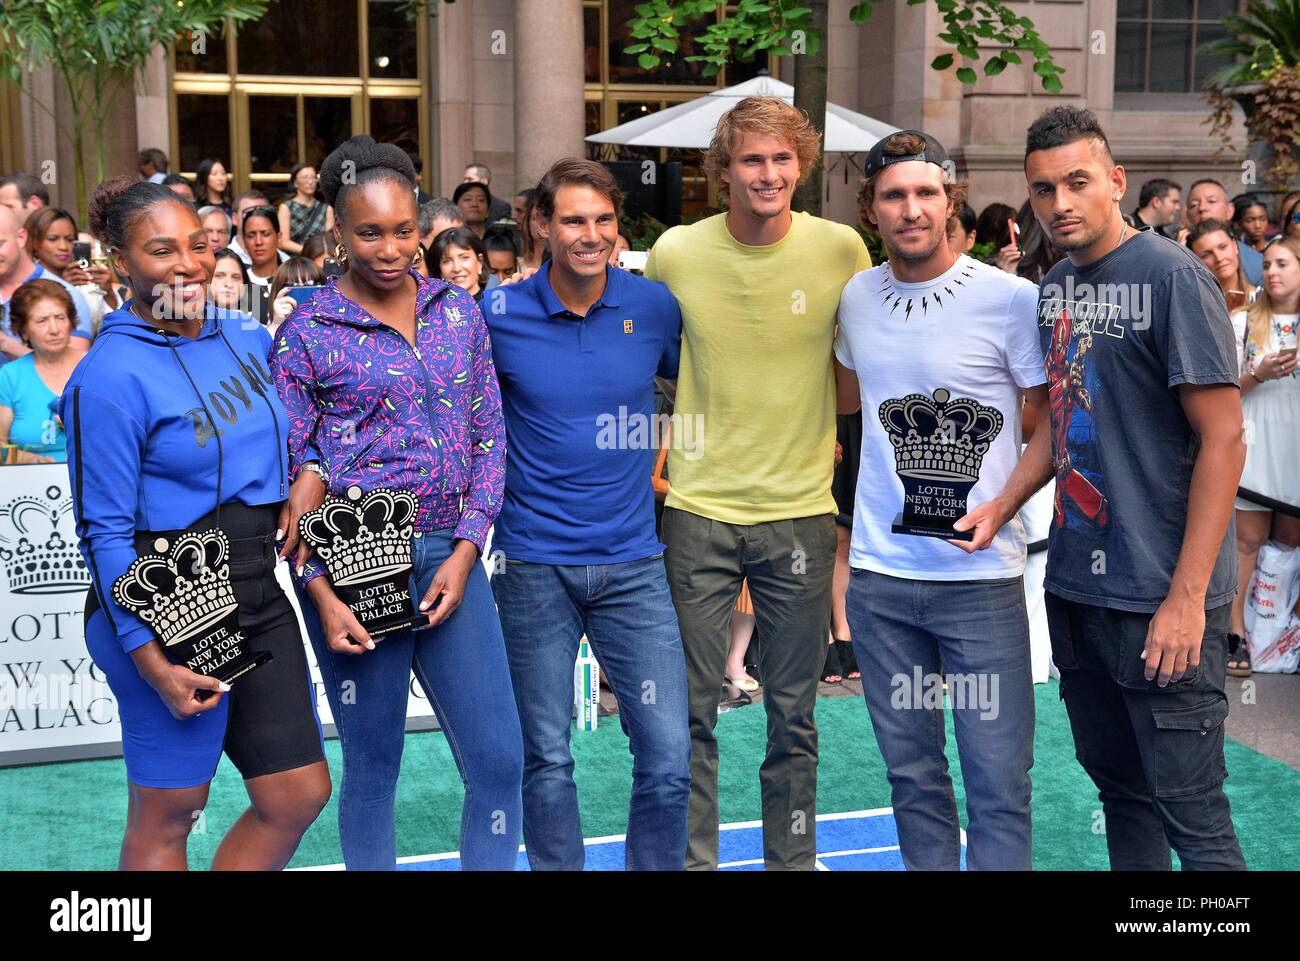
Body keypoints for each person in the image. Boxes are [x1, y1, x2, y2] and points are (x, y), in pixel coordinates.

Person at [62, 175, 330, 870]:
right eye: (160, 249)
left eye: (198, 244)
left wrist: (307, 472)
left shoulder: (243, 335)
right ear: (120, 263)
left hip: (255, 587)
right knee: (170, 815)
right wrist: (150, 661)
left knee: (298, 791)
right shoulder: (109, 375)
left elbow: (293, 431)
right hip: (163, 598)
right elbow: (103, 534)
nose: (187, 263)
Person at [270, 135, 523, 871]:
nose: (390, 248)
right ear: (338, 234)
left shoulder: (458, 312)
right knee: (375, 766)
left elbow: (489, 439)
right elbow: (289, 483)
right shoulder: (305, 331)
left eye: (404, 230)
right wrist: (321, 594)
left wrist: (469, 548)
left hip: (453, 554)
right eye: (370, 232)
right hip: (354, 563)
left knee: (500, 759)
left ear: (425, 227)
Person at [645, 95, 872, 871]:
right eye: (751, 158)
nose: (768, 173)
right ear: (724, 169)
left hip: (801, 514)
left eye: (781, 158)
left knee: (794, 717)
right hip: (698, 511)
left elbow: (854, 373)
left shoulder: (842, 249)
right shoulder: (676, 251)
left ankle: (792, 864)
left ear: (801, 165)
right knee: (688, 716)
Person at [1025, 106, 1247, 871]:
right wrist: (998, 503)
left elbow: (1225, 438)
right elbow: (1063, 417)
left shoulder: (1173, 275)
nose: (1060, 203)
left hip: (1162, 593)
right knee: (1122, 794)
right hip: (1079, 592)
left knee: (1194, 814)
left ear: (1116, 181)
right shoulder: (1054, 286)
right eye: (1044, 188)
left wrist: (1187, 599)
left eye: (1078, 182)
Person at [834, 130, 1050, 871]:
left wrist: (1002, 506)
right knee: (913, 778)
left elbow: (1052, 420)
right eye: (894, 194)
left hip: (980, 584)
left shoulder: (1011, 298)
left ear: (949, 201)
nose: (912, 208)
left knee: (997, 781)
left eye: (927, 192)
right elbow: (844, 402)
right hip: (882, 584)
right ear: (871, 208)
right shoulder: (856, 298)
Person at [485, 157, 690, 871]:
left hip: (635, 562)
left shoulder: (655, 307)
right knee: (544, 756)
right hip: (531, 564)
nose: (591, 233)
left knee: (668, 755)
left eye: (604, 219)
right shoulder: (499, 314)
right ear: (541, 223)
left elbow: (690, 385)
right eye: (573, 218)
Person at [1227, 236, 1300, 677]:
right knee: (1247, 543)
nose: (1272, 272)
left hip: (1295, 447)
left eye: (1283, 264)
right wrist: (1258, 372)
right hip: (1255, 440)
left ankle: (1279, 630)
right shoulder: (1243, 320)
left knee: (1290, 543)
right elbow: (1223, 390)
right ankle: (1235, 633)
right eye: (1267, 265)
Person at [0, 206, 94, 366]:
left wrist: (5, 343)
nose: (63, 246)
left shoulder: (67, 295)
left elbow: (73, 369)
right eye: (53, 238)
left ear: (21, 237)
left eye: (0, 243)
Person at [0, 279, 79, 463]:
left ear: (71, 322)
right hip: (29, 486)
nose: (54, 329)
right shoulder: (10, 376)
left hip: (93, 481)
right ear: (24, 330)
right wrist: (23, 458)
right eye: (42, 321)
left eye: (60, 317)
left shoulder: (95, 366)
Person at [1187, 179, 1262, 286]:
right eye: (1194, 205)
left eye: (1211, 201)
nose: (1202, 208)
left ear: (1229, 210)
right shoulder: (1174, 260)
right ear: (1187, 214)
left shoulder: (1258, 265)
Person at [1188, 219, 1256, 313]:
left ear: (1235, 246)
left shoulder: (1261, 298)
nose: (1219, 258)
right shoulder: (1194, 310)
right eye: (1207, 254)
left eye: (1223, 247)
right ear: (1195, 261)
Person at [239, 205, 282, 324]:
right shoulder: (237, 279)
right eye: (251, 235)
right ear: (243, 240)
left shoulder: (294, 276)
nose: (258, 242)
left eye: (265, 234)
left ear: (279, 237)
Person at [277, 164, 332, 255]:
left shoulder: (326, 208)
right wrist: (308, 252)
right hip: (294, 262)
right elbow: (283, 242)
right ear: (295, 182)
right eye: (304, 178)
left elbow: (327, 241)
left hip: (318, 261)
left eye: (313, 177)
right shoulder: (286, 207)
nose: (310, 181)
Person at [228, 190, 290, 269]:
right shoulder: (222, 261)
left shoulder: (285, 262)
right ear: (234, 218)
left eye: (262, 212)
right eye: (249, 212)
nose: (257, 217)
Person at [428, 225, 488, 305]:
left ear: (479, 261)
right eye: (447, 261)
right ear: (439, 268)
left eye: (464, 258)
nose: (457, 268)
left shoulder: (495, 304)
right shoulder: (432, 308)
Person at [267, 256, 324, 336]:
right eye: (293, 286)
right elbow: (266, 346)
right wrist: (276, 323)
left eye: (309, 284)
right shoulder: (271, 326)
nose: (301, 293)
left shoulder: (331, 321)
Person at [208, 249, 249, 313]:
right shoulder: (192, 321)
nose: (229, 284)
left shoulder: (255, 321)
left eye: (236, 277)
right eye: (219, 276)